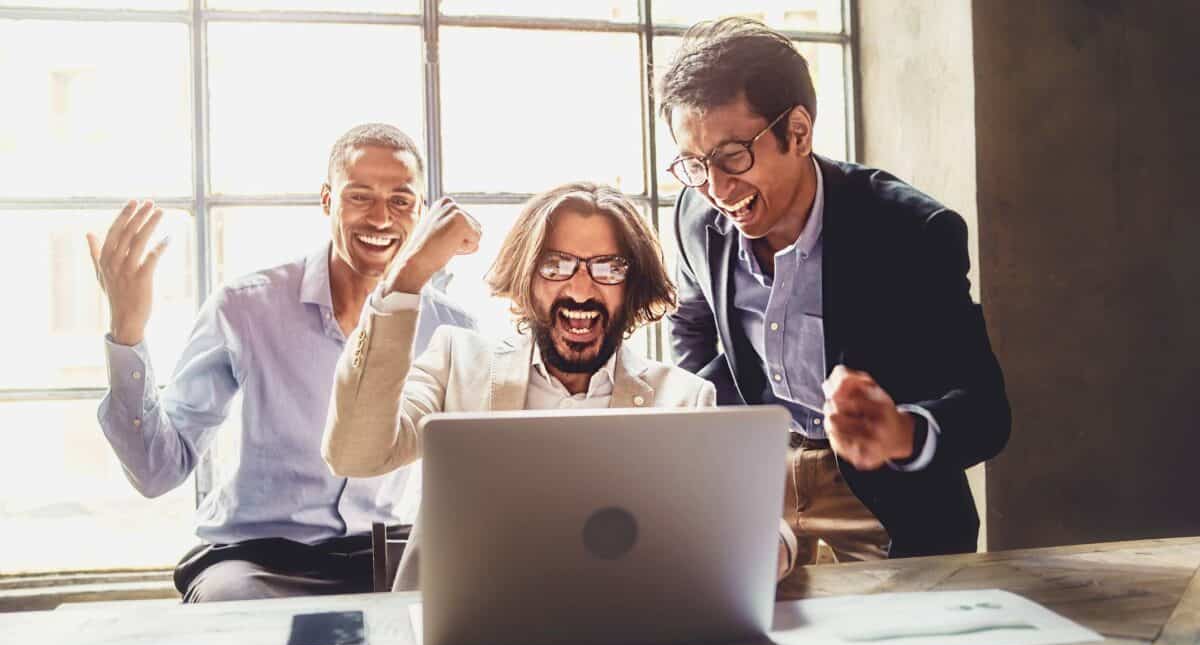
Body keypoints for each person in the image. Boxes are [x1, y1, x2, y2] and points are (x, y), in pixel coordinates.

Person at [659, 18, 1011, 591]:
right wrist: (714, 433)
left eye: (732, 157)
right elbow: (695, 327)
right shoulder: (695, 216)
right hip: (757, 480)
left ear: (797, 132)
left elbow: (986, 411)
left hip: (883, 497)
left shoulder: (912, 231)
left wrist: (901, 433)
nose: (716, 190)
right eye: (694, 164)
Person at [322, 182, 801, 591]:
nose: (580, 288)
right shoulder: (456, 362)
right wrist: (406, 279)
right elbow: (355, 454)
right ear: (526, 279)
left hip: (614, 643)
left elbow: (757, 527)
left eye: (608, 267)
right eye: (556, 264)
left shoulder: (683, 398)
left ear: (633, 287)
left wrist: (772, 546)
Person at [87, 123, 474, 602]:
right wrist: (128, 332)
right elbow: (156, 471)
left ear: (422, 214)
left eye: (400, 200)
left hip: (385, 558)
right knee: (230, 607)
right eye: (360, 197)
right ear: (327, 200)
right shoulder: (247, 307)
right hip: (257, 560)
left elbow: (474, 472)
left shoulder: (449, 327)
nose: (380, 219)